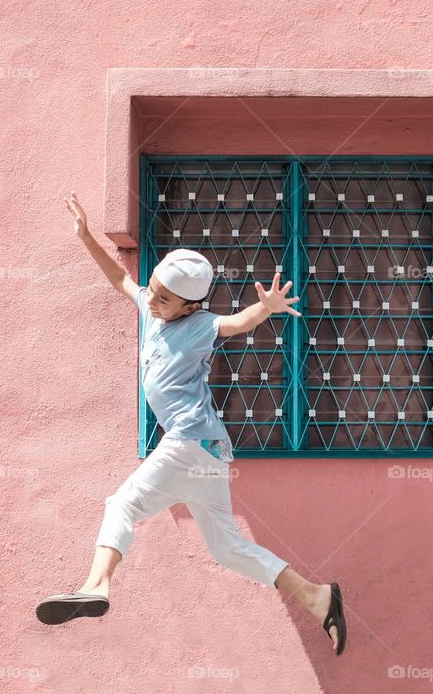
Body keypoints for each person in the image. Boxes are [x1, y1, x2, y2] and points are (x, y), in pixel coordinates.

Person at [34, 192, 347, 656]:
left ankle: (96, 586)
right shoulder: (154, 310)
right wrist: (85, 237)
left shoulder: (198, 325)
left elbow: (238, 323)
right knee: (225, 547)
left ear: (189, 306)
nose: (154, 301)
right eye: (155, 292)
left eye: (165, 299)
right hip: (209, 454)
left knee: (121, 505)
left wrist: (266, 308)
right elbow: (121, 277)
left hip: (188, 441)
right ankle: (317, 596)